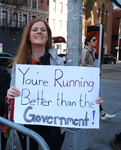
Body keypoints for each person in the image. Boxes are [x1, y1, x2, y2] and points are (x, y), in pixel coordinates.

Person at [6, 18, 103, 150]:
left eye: (43, 30)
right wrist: (10, 94)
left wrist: (89, 100)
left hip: (53, 126)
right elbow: (12, 91)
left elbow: (69, 92)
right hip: (27, 124)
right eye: (34, 30)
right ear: (28, 36)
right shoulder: (19, 64)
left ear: (47, 37)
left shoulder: (58, 62)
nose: (39, 32)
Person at [82, 35, 116, 121]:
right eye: (94, 40)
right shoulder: (86, 51)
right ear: (88, 42)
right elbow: (82, 64)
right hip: (86, 78)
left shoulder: (91, 51)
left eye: (96, 40)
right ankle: (102, 114)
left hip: (90, 77)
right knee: (93, 95)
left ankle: (102, 114)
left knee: (93, 95)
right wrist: (95, 69)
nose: (95, 41)